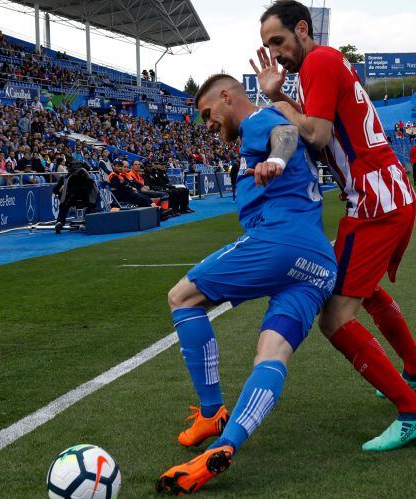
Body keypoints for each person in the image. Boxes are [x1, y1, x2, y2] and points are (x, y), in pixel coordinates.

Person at [254, 0, 416, 452]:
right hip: (386, 194)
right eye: (266, 47)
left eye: (278, 41)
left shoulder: (318, 59)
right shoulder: (327, 63)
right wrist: (281, 96)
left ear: (303, 29)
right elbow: (323, 128)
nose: (275, 54)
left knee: (335, 319)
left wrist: (275, 100)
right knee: (365, 288)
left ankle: (414, 412)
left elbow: (315, 134)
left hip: (374, 202)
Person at [156, 75, 336, 495]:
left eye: (208, 114)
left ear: (226, 96)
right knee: (272, 353)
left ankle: (211, 411)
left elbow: (285, 133)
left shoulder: (258, 120)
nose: (208, 124)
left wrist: (276, 158)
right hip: (319, 261)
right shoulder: (265, 125)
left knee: (182, 297)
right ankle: (225, 445)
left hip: (280, 241)